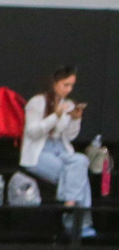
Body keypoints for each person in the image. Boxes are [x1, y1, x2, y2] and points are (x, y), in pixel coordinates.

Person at [22, 67, 96, 239]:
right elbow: (32, 132)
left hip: (60, 148)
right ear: (54, 83)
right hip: (39, 151)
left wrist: (76, 120)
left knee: (81, 161)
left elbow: (69, 136)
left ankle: (69, 205)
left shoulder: (68, 104)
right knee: (75, 175)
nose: (68, 90)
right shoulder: (37, 102)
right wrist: (55, 116)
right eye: (65, 85)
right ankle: (79, 223)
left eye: (71, 85)